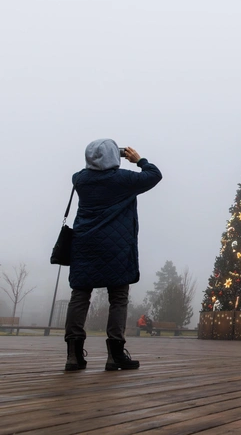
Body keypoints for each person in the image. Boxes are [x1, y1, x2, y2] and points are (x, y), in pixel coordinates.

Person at [64, 139, 162, 371]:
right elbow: (154, 174)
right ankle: (115, 355)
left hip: (84, 245)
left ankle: (73, 356)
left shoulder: (79, 179)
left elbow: (88, 171)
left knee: (79, 296)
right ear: (113, 157)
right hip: (115, 247)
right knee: (117, 298)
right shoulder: (123, 180)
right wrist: (139, 159)